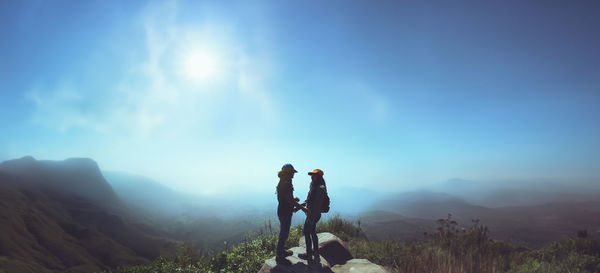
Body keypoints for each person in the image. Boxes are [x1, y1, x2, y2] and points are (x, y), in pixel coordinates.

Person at [275, 163, 307, 265]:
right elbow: (289, 200)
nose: (294, 174)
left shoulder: (283, 182)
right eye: (292, 172)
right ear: (288, 173)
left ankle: (282, 251)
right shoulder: (286, 183)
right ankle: (279, 256)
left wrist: (294, 200)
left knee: (284, 232)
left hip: (282, 210)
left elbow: (286, 198)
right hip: (285, 212)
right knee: (284, 233)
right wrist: (303, 208)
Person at [298, 168, 327, 261]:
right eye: (311, 175)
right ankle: (316, 252)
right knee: (312, 232)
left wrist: (310, 213)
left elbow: (317, 203)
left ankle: (309, 254)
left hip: (313, 214)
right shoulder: (315, 186)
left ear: (318, 176)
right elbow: (309, 200)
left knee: (306, 232)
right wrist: (300, 206)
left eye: (314, 175)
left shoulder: (319, 188)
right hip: (313, 214)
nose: (312, 177)